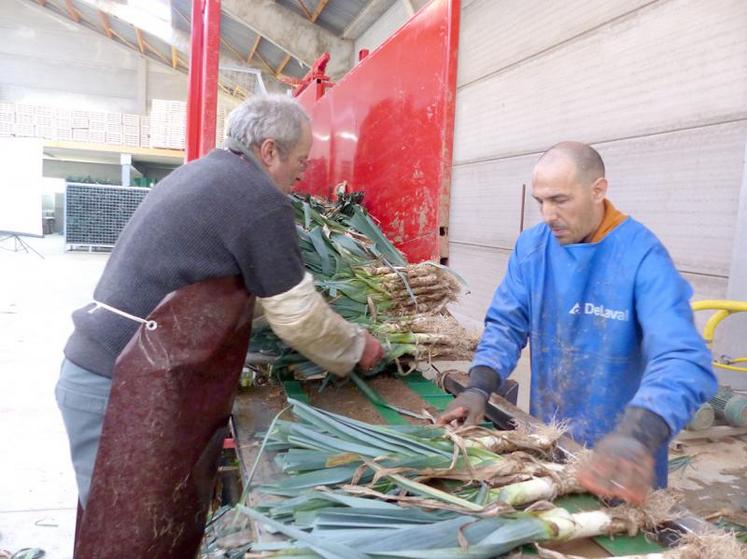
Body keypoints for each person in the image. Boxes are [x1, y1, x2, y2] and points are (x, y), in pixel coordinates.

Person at [56, 95, 385, 508]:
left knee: (122, 525)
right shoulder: (258, 199)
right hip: (119, 386)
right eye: (301, 160)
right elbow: (297, 316)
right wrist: (358, 346)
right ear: (269, 151)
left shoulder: (205, 174)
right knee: (126, 530)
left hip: (105, 373)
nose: (304, 173)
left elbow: (256, 301)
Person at [438, 141, 717, 504]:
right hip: (549, 443)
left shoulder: (641, 255)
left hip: (623, 458)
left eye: (560, 200)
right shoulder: (533, 247)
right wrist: (479, 385)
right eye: (541, 202)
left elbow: (683, 358)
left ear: (598, 190)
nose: (548, 214)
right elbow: (507, 324)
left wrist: (639, 432)